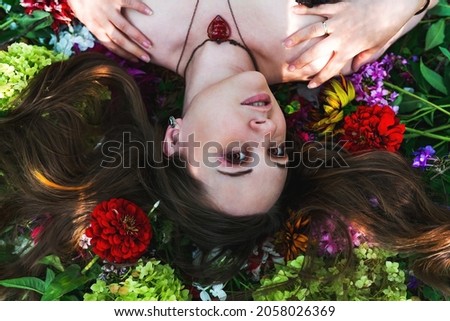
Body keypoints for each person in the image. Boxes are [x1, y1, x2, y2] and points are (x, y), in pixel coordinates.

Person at [2, 0, 449, 299]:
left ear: (174, 140)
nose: (264, 129)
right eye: (276, 151)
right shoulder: (323, 46)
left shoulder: (121, 22)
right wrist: (390, 9)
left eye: (236, 156)